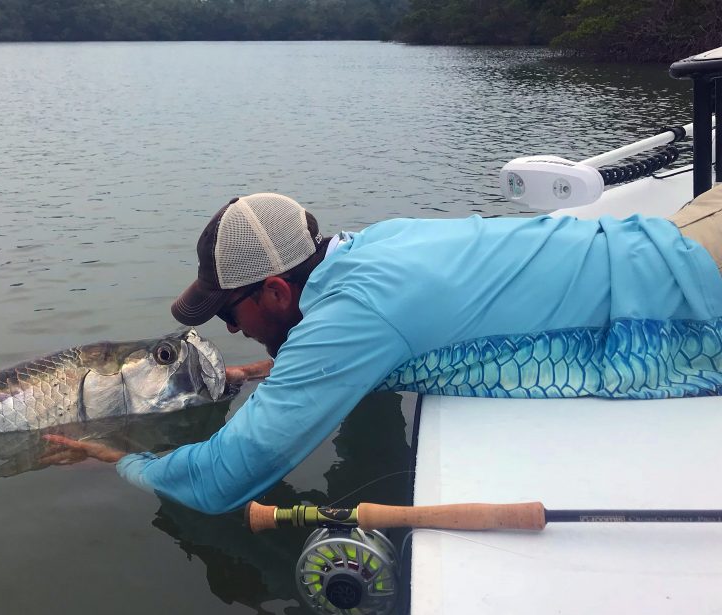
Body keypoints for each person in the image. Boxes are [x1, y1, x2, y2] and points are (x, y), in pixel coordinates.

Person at [45, 190, 722, 513]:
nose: (230, 327)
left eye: (230, 310)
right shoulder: (373, 244)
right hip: (672, 233)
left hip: (696, 289)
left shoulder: (349, 318)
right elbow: (369, 338)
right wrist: (267, 373)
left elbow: (226, 475)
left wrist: (123, 461)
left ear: (277, 290)